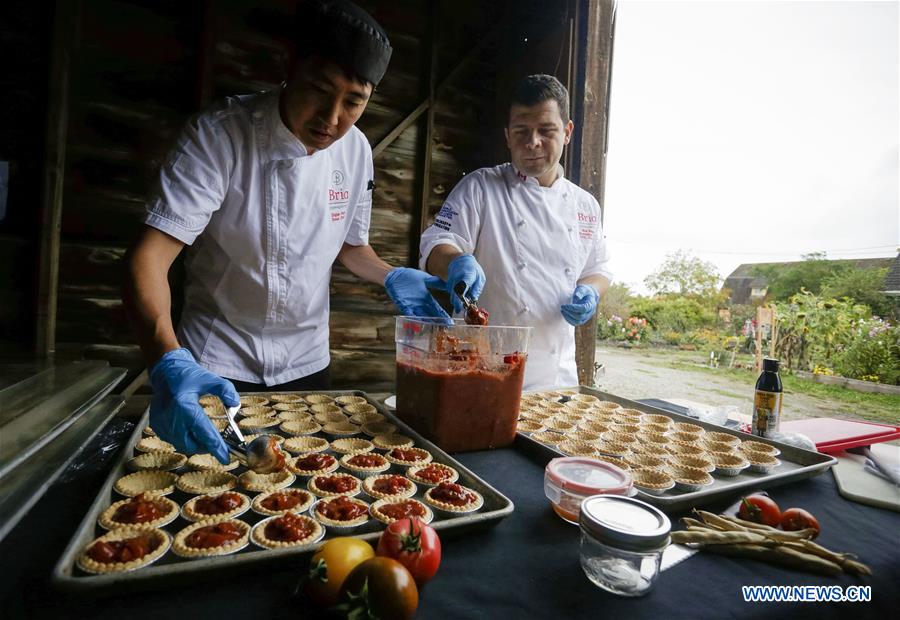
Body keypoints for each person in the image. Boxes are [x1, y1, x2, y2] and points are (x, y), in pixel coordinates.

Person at [123, 0, 448, 463]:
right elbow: (148, 258)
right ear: (290, 68)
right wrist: (166, 358)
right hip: (217, 361)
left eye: (353, 101)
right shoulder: (219, 136)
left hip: (308, 363)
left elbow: (352, 248)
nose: (332, 118)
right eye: (319, 89)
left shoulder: (355, 152)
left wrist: (392, 275)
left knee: (302, 491)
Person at [419, 74, 612, 389]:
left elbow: (598, 269)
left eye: (546, 130)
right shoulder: (481, 187)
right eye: (521, 131)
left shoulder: (585, 206)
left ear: (567, 132)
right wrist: (455, 262)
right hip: (481, 370)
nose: (532, 142)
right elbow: (437, 243)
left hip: (555, 379)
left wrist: (590, 291)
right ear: (508, 136)